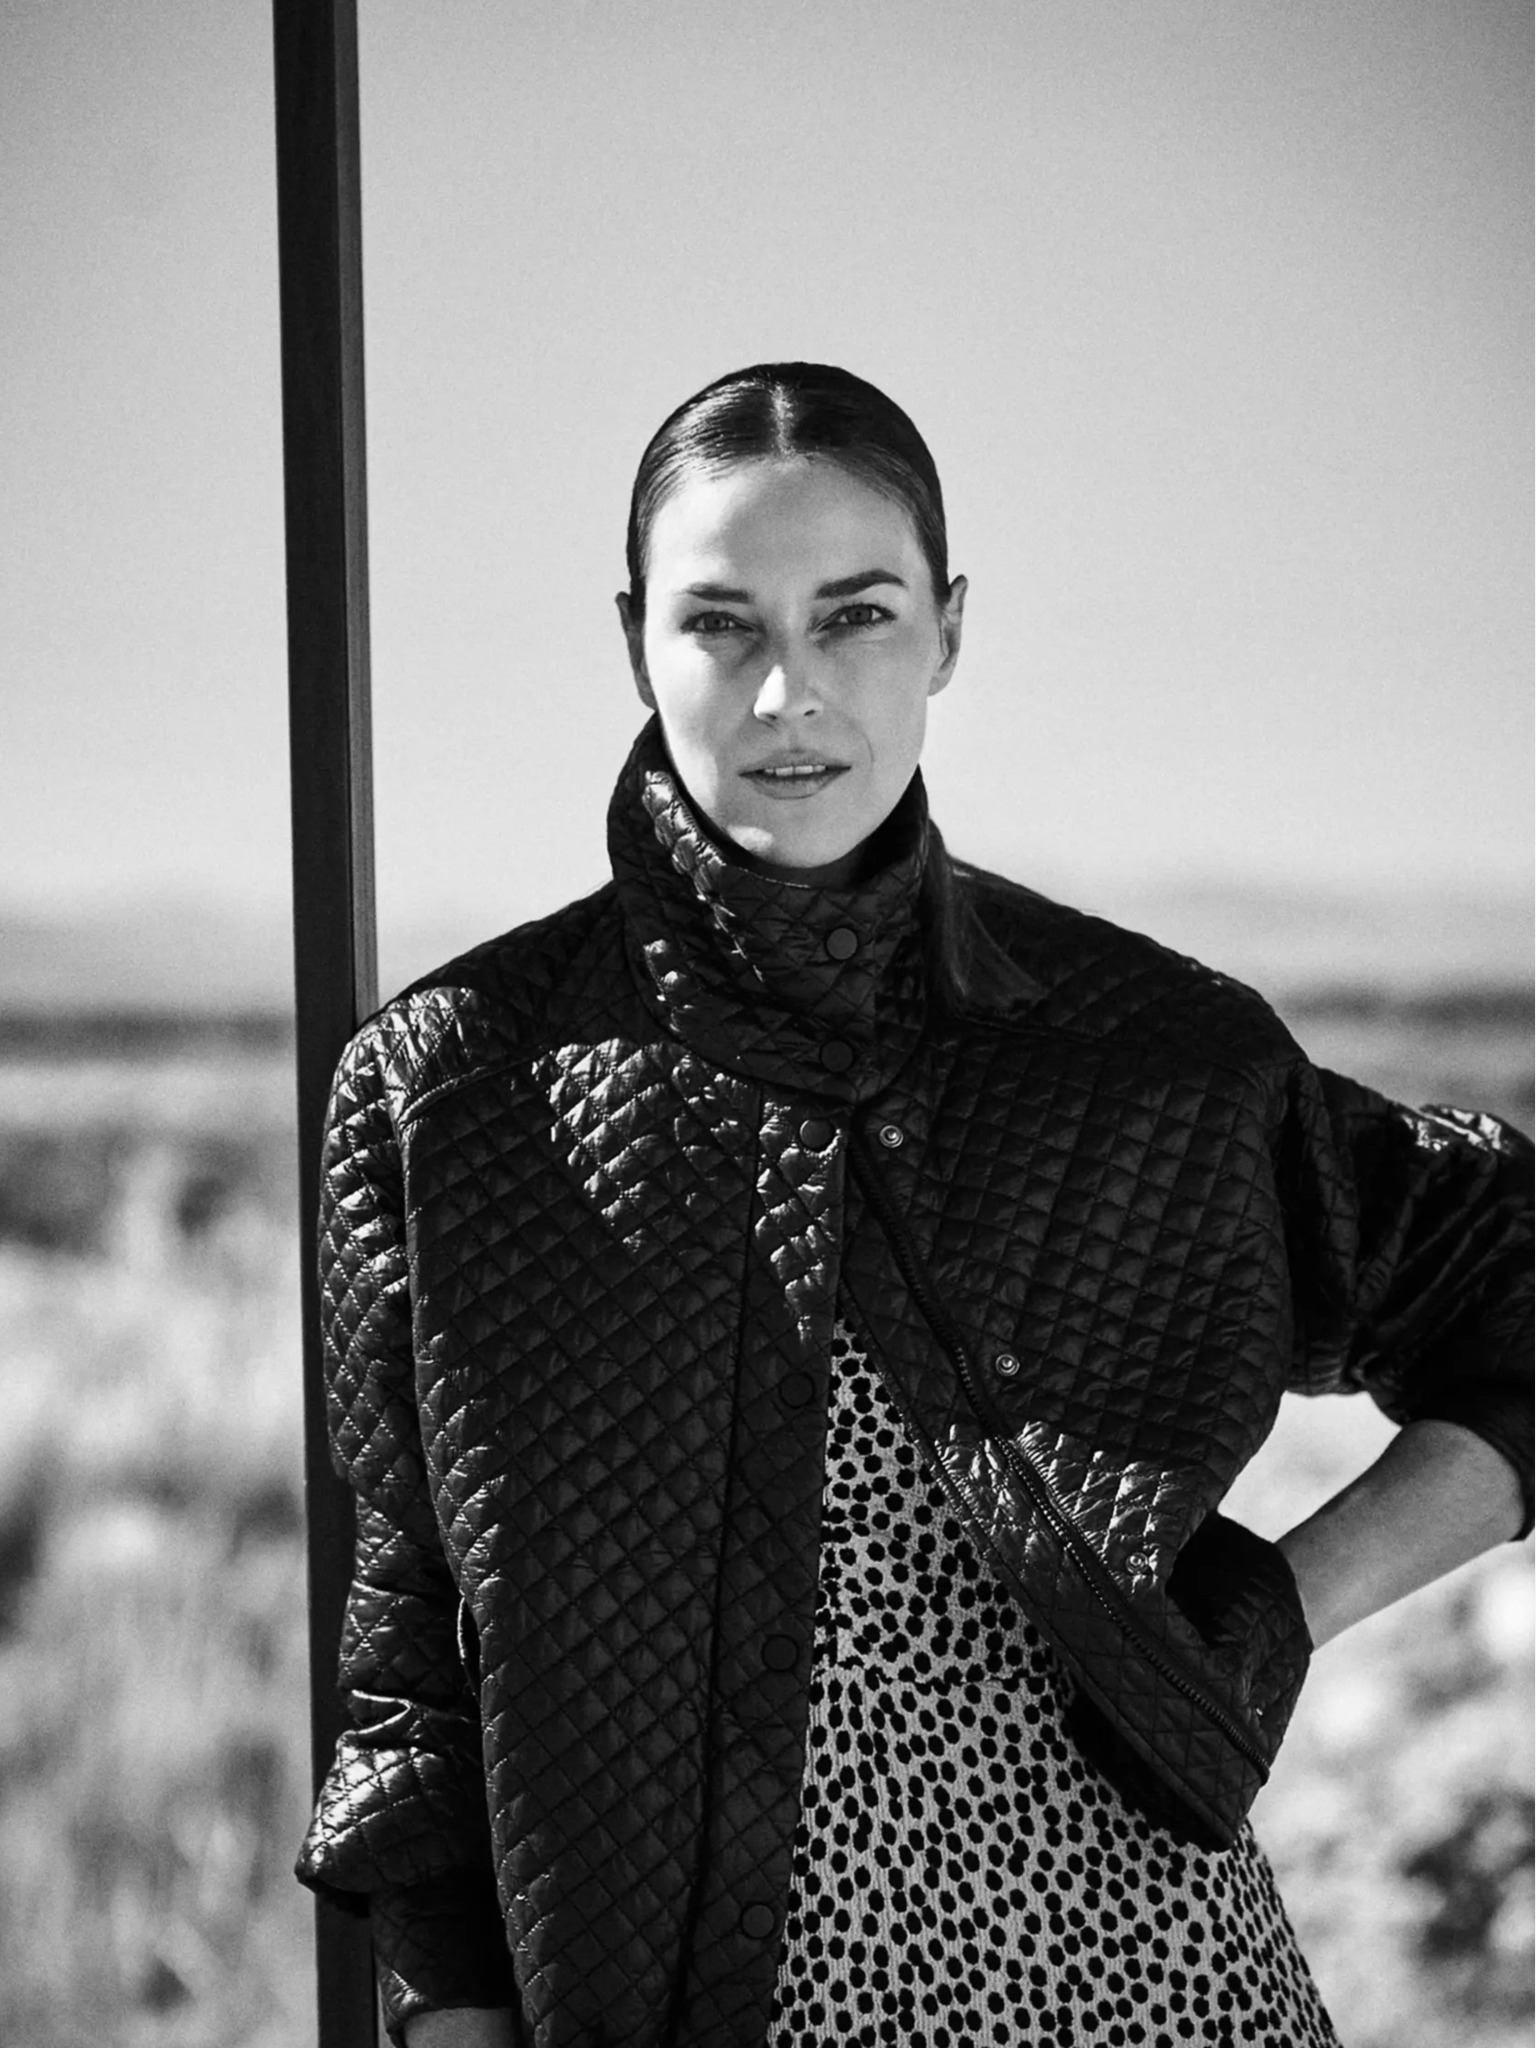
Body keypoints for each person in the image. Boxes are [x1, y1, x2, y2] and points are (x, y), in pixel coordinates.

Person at [296, 363, 1531, 2048]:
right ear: (636, 642)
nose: (788, 692)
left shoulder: (1150, 1053)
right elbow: (412, 1672)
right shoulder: (453, 1090)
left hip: (1162, 1992)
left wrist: (1286, 1605)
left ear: (949, 629)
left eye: (856, 615)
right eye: (720, 623)